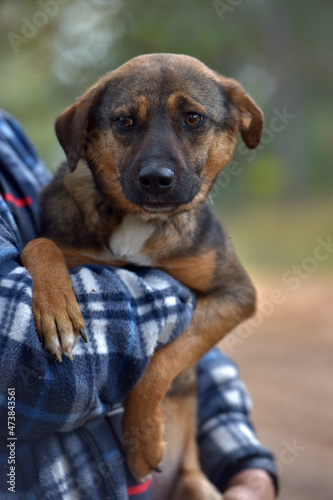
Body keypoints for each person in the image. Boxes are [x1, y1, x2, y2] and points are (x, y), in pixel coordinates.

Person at [0, 110, 278, 499]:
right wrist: (178, 288)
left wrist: (243, 463)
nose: (159, 168)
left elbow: (216, 319)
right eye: (127, 124)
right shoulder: (71, 200)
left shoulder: (8, 133)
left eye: (193, 120)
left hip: (184, 472)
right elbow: (24, 365)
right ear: (85, 135)